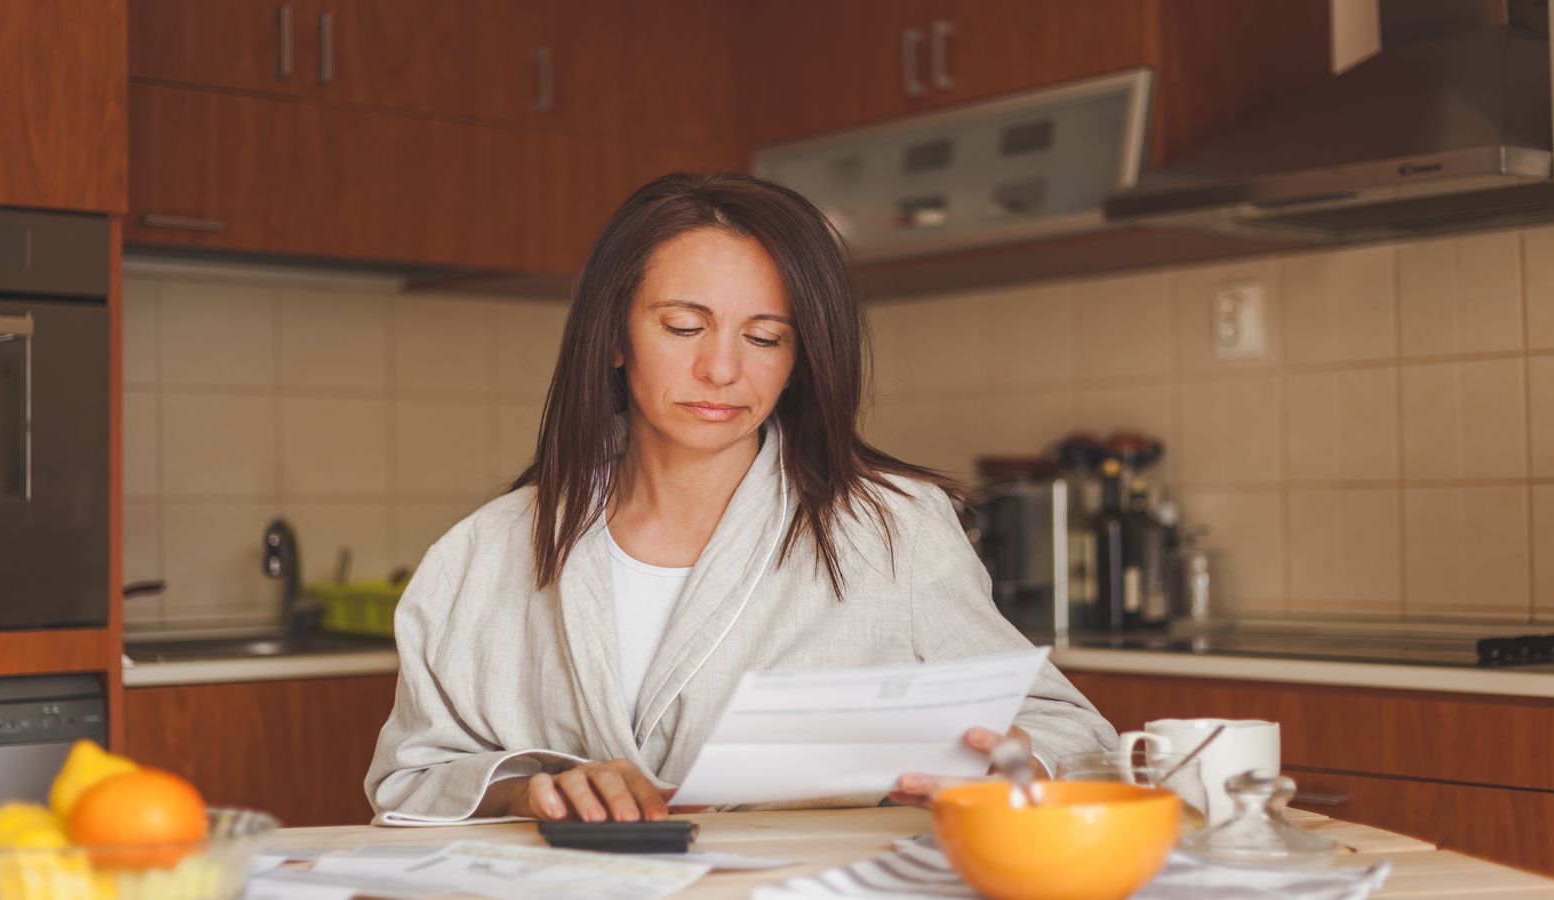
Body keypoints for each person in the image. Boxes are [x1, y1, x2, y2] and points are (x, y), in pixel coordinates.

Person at [365, 172, 1115, 825]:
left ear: (801, 359)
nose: (721, 369)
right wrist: (533, 790)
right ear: (615, 335)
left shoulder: (890, 529)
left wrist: (1013, 770)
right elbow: (409, 780)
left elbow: (1072, 738)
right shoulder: (482, 553)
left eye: (765, 338)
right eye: (684, 326)